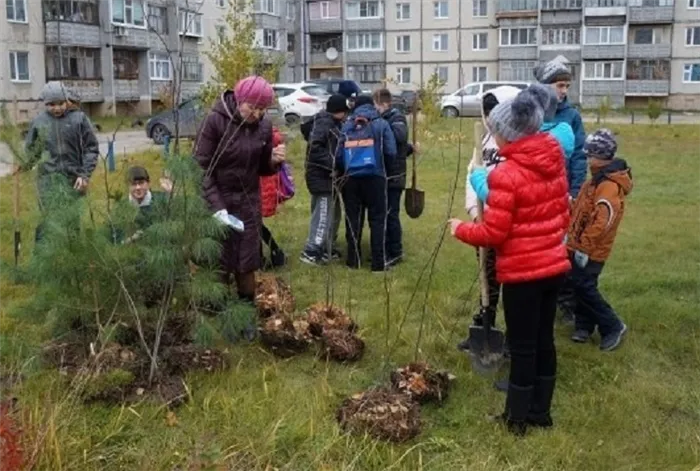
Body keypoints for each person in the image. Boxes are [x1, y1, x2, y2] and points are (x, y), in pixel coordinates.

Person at [448, 88, 571, 436]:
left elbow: (494, 233)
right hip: (554, 268)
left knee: (522, 347)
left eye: (496, 131)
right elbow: (558, 213)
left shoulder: (507, 174)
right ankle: (540, 412)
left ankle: (516, 419)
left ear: (508, 133)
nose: (494, 136)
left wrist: (461, 229)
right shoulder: (553, 160)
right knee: (544, 340)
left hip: (523, 274)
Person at [194, 76, 285, 305]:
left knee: (247, 259)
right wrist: (217, 208)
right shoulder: (215, 121)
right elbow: (199, 169)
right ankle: (218, 307)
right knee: (220, 259)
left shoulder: (264, 126)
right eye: (252, 107)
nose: (257, 114)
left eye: (262, 109)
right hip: (217, 198)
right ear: (239, 99)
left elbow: (262, 167)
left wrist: (273, 160)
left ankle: (245, 308)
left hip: (248, 201)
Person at [459, 85, 521, 353]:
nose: (488, 118)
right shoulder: (482, 143)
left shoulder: (515, 143)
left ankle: (515, 333)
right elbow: (472, 178)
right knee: (488, 274)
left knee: (513, 284)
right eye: (485, 113)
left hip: (510, 224)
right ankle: (486, 321)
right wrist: (475, 213)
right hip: (484, 222)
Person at [567, 129, 632, 351]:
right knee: (581, 286)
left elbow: (603, 220)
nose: (587, 160)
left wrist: (584, 246)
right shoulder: (594, 182)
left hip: (592, 250)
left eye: (589, 155)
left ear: (600, 157)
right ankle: (584, 326)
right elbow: (582, 210)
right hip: (579, 245)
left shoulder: (608, 185)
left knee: (584, 287)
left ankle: (612, 325)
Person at [534, 59, 587, 325]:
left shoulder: (571, 116)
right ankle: (540, 296)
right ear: (544, 86)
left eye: (567, 85)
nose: (564, 90)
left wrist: (575, 190)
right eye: (559, 84)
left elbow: (578, 155)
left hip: (561, 191)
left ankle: (566, 301)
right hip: (533, 192)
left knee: (561, 247)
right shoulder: (532, 111)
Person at [22, 81, 99, 244]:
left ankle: (72, 258)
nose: (56, 108)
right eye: (51, 104)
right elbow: (32, 152)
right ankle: (42, 260)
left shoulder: (79, 119)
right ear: (45, 103)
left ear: (67, 100)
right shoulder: (39, 122)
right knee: (46, 221)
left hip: (73, 180)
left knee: (71, 221)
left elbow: (91, 148)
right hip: (47, 181)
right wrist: (23, 164)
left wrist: (84, 175)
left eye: (60, 103)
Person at [336, 95, 397, 273]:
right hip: (376, 177)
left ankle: (353, 261)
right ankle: (378, 264)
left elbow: (339, 155)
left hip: (351, 179)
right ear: (372, 106)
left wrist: (346, 169)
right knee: (378, 220)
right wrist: (385, 168)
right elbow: (391, 152)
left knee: (353, 219)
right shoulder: (381, 124)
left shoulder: (348, 125)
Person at [300, 94, 349, 265]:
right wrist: (333, 164)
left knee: (334, 213)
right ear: (339, 111)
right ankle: (312, 250)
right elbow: (315, 147)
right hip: (321, 177)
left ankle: (327, 246)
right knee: (322, 215)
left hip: (328, 177)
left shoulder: (333, 124)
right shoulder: (324, 123)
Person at [372, 88, 415, 267]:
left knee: (391, 214)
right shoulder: (384, 118)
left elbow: (400, 137)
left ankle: (395, 251)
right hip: (384, 173)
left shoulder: (396, 118)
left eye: (376, 106)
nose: (375, 109)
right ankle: (383, 249)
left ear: (384, 104)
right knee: (384, 213)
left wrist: (381, 126)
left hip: (395, 174)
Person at [259, 127, 290, 269]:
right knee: (255, 224)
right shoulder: (272, 135)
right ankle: (274, 253)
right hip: (266, 184)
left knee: (253, 225)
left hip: (261, 185)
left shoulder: (264, 135)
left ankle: (264, 257)